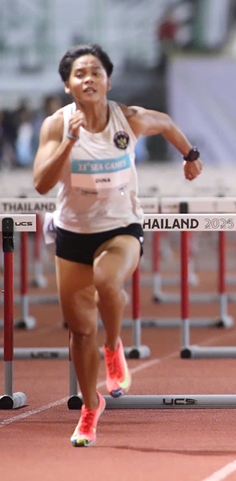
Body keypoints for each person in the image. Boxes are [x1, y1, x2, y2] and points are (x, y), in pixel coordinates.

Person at [32, 44, 203, 446]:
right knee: (79, 331)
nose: (88, 79)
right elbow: (41, 184)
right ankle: (90, 408)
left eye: (96, 72)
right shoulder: (56, 126)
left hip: (122, 226)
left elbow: (166, 124)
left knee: (107, 281)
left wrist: (190, 155)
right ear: (68, 85)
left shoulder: (128, 118)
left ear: (108, 81)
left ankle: (113, 346)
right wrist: (69, 143)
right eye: (79, 74)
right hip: (73, 232)